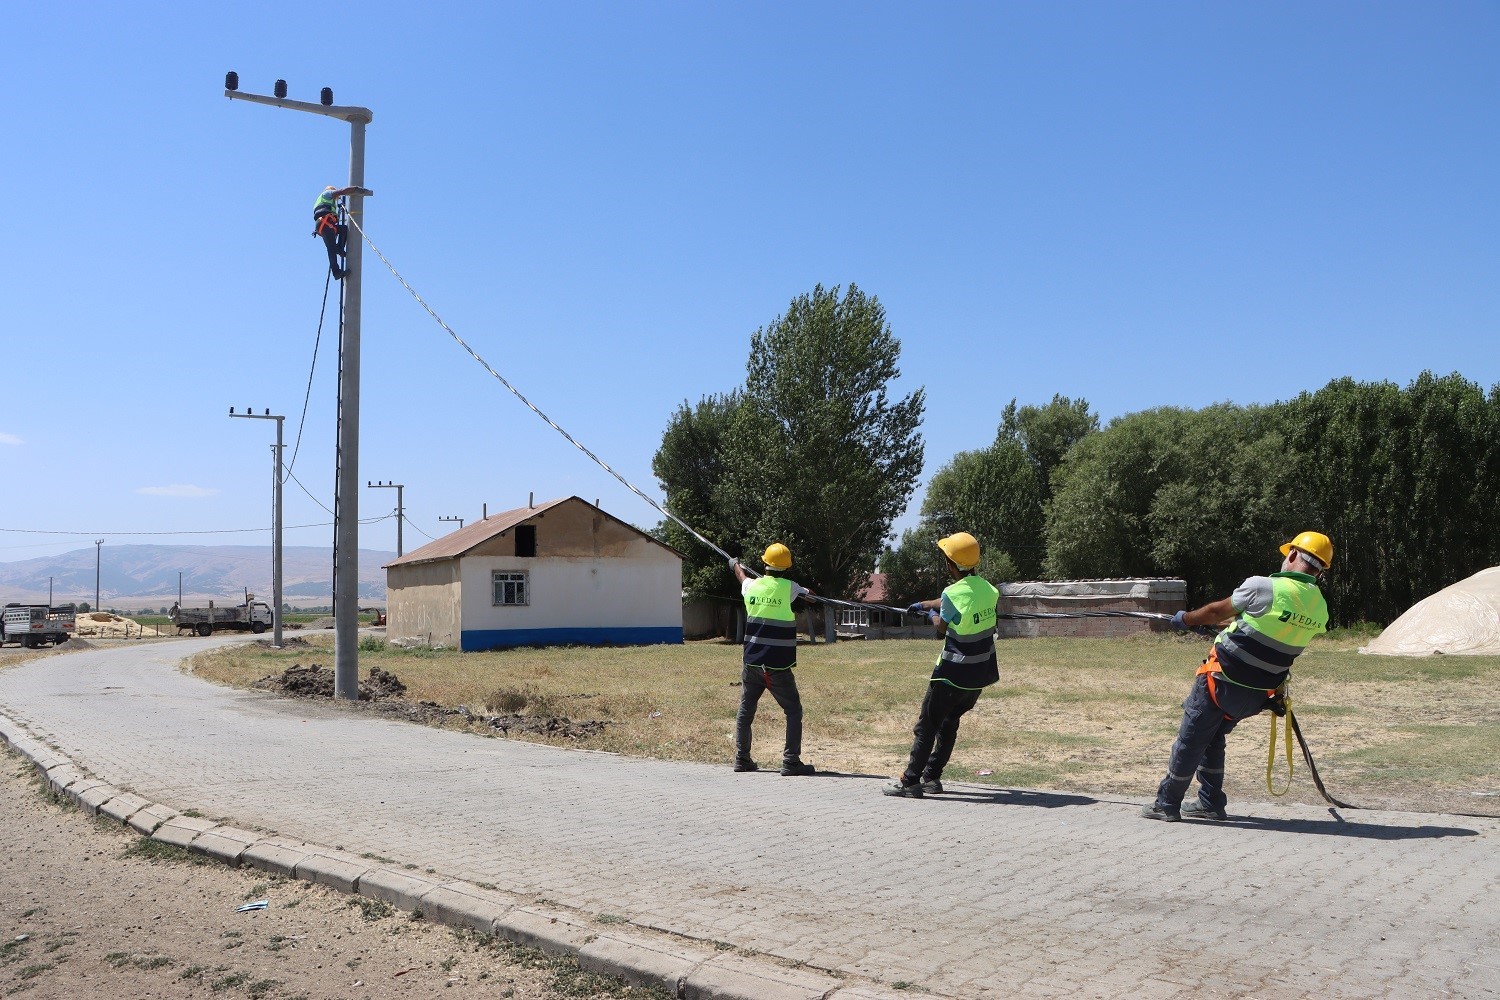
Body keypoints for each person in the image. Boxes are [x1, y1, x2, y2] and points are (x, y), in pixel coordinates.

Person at [1141, 531, 1332, 822]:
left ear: (1293, 555)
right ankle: (1210, 803)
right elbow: (1268, 625)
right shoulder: (1318, 605)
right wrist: (1223, 627)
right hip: (1256, 695)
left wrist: (1186, 619)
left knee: (1191, 739)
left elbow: (1219, 609)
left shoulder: (1263, 586)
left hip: (1220, 682)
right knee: (1213, 737)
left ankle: (1166, 803)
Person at [884, 531, 1000, 798]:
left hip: (951, 674)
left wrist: (932, 613)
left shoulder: (951, 594)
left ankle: (910, 781)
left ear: (950, 564)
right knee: (949, 724)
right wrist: (927, 603)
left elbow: (941, 628)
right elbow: (961, 601)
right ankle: (932, 778)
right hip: (979, 674)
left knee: (927, 726)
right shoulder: (989, 590)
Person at [730, 543, 818, 776]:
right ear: (787, 567)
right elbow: (812, 598)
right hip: (778, 666)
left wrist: (734, 564)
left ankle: (742, 759)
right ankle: (791, 762)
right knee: (793, 711)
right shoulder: (790, 587)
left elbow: (741, 577)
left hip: (752, 663)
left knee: (746, 711)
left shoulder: (751, 586)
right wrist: (806, 592)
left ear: (765, 563)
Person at [313, 185, 358, 279]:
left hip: (325, 225)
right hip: (325, 223)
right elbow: (342, 191)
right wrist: (355, 189)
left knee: (344, 229)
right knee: (331, 249)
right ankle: (336, 272)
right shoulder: (327, 194)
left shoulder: (325, 201)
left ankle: (339, 248)